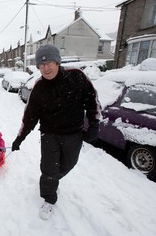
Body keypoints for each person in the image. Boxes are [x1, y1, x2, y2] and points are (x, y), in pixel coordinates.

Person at [11, 44, 101, 220]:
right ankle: (49, 197)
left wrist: (94, 124)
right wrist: (19, 139)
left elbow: (92, 100)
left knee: (69, 164)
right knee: (49, 168)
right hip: (49, 134)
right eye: (41, 65)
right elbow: (29, 117)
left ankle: (51, 180)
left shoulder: (77, 77)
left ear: (58, 62)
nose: (46, 67)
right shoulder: (39, 87)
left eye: (50, 62)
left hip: (74, 133)